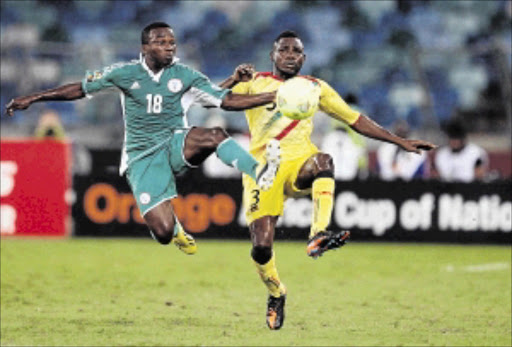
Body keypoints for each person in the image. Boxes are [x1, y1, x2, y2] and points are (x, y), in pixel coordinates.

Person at [222, 31, 436, 330]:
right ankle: (276, 293)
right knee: (261, 248)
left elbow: (354, 119)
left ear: (304, 58)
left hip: (299, 161)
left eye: (296, 51)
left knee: (324, 160)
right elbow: (216, 100)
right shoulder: (253, 81)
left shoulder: (314, 88)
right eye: (283, 50)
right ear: (273, 55)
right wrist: (232, 81)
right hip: (262, 170)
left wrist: (398, 141)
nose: (290, 55)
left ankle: (318, 234)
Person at [5, 22, 280, 254]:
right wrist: (35, 97)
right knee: (161, 233)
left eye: (172, 42)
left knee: (215, 135)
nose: (170, 46)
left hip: (175, 143)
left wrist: (272, 96)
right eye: (161, 42)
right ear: (145, 48)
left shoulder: (185, 75)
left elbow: (225, 101)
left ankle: (260, 173)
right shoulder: (125, 73)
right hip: (142, 157)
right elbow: (79, 88)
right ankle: (174, 229)